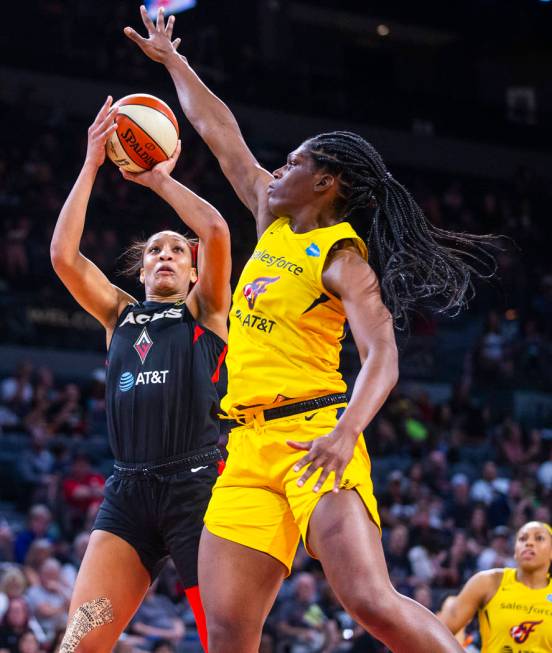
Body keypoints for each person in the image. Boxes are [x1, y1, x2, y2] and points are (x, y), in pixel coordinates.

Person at [125, 7, 494, 653]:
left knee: (370, 601)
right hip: (243, 449)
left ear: (324, 182)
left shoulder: (343, 258)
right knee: (229, 634)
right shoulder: (271, 224)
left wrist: (345, 432)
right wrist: (175, 63)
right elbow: (221, 134)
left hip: (314, 438)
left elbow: (382, 355)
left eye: (293, 162)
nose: (279, 169)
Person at [50, 96, 231, 652]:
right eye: (155, 250)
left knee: (225, 642)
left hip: (197, 489)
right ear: (143, 265)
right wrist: (90, 164)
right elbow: (63, 254)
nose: (167, 256)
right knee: (78, 643)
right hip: (129, 490)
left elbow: (217, 229)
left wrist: (156, 181)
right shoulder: (117, 315)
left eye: (178, 249)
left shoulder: (206, 310)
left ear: (194, 268)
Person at [438, 521, 552, 652]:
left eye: (539, 538)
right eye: (522, 538)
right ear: (515, 551)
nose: (529, 543)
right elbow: (439, 632)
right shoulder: (489, 582)